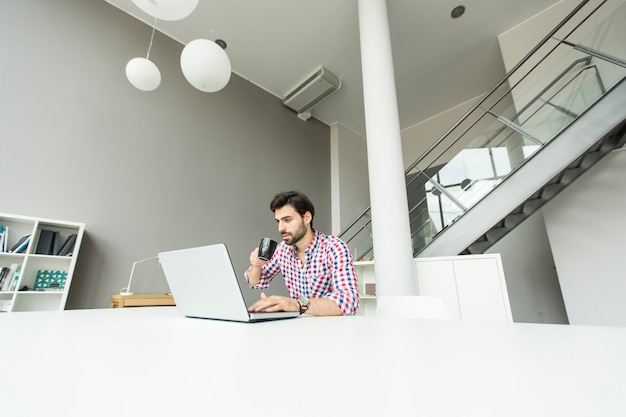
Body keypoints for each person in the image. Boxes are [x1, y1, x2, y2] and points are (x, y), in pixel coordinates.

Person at [245, 190, 359, 316]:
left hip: (331, 329)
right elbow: (256, 281)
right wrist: (256, 266)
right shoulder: (282, 250)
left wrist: (297, 304)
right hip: (299, 328)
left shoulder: (334, 247)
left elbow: (349, 302)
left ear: (307, 218)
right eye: (278, 221)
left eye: (287, 220)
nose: (280, 228)